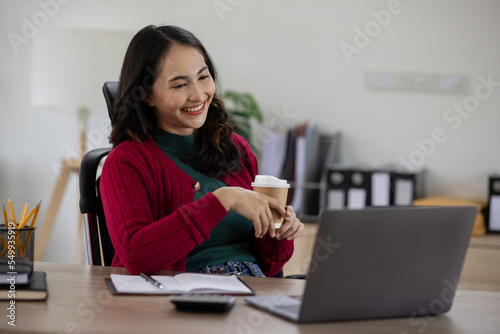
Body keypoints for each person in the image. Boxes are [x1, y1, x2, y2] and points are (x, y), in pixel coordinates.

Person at [100, 25, 304, 277]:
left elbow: (270, 267)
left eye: (203, 77)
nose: (198, 95)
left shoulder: (235, 148)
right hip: (183, 298)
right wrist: (222, 200)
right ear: (146, 96)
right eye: (179, 85)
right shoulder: (126, 162)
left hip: (251, 289)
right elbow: (135, 256)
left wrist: (280, 234)